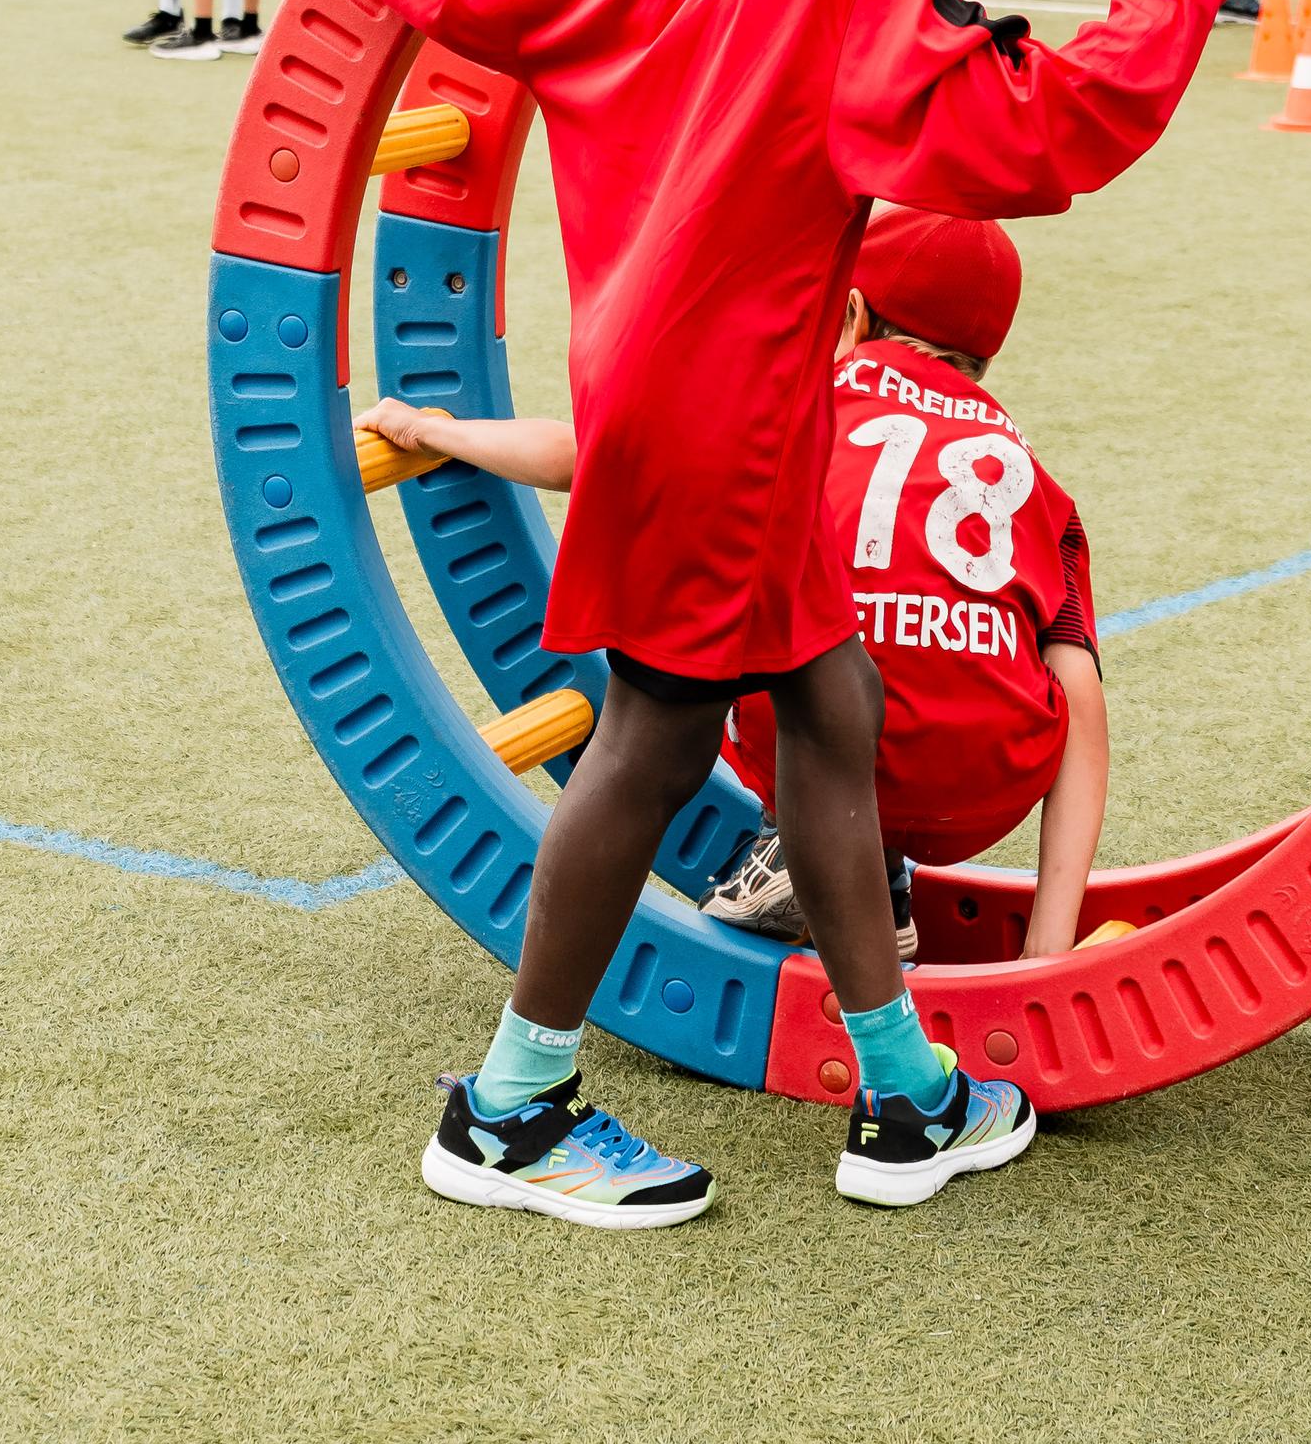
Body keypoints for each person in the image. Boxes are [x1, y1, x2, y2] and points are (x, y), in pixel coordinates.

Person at [321, 0, 1252, 1225]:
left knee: (833, 721)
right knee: (652, 745)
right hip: (731, 428)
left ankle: (906, 1097)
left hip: (686, 404)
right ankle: (510, 1113)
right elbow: (1044, 128)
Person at [362, 201, 1117, 968]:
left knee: (760, 604)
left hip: (817, 753)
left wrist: (441, 430)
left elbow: (587, 456)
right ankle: (878, 873)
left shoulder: (798, 407)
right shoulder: (1031, 479)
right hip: (984, 792)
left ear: (849, 313)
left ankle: (800, 847)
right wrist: (1048, 948)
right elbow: (1081, 703)